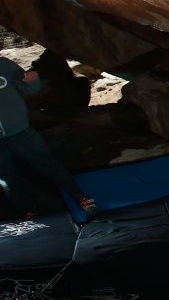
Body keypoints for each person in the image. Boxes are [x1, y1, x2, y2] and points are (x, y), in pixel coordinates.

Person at [0, 39, 98, 219]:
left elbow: (30, 88)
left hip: (21, 132)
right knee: (8, 178)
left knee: (49, 165)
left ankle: (81, 198)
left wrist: (32, 79)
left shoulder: (4, 66)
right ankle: (28, 211)